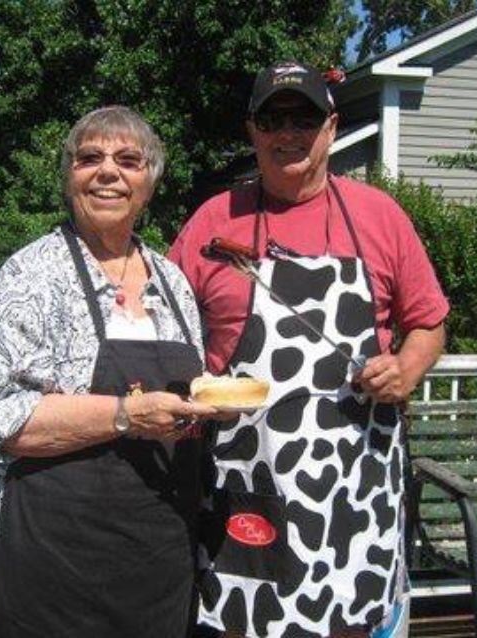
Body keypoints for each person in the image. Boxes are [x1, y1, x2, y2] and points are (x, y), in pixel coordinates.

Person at [169, 62, 449, 637]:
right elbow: (165, 334)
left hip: (355, 495)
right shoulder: (212, 221)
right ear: (253, 131)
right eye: (274, 118)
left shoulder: (380, 217)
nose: (288, 133)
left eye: (305, 118)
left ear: (332, 128)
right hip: (247, 489)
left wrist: (407, 367)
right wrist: (191, 389)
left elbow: (429, 324)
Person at [0, 106, 221, 638]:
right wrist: (127, 414)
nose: (108, 171)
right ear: (70, 178)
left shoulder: (174, 283)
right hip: (50, 557)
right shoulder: (31, 274)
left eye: (129, 160)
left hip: (157, 555)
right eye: (90, 158)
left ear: (149, 184)